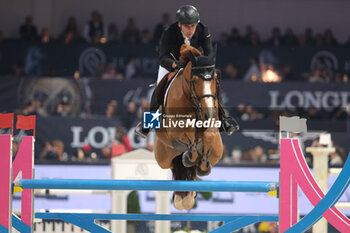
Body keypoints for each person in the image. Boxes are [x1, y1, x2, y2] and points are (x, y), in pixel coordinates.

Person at [135, 5, 237, 138]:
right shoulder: (169, 32)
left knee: (213, 82)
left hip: (195, 64)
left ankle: (224, 119)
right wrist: (176, 64)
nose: (190, 29)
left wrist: (202, 64)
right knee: (160, 87)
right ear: (179, 24)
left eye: (193, 26)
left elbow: (210, 53)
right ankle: (148, 125)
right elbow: (162, 57)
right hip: (172, 63)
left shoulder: (203, 29)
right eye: (187, 26)